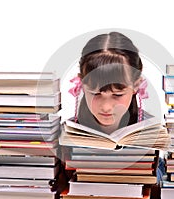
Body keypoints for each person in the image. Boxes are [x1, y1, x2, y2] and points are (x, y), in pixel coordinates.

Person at [53, 31, 164, 198]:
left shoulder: (152, 136)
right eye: (95, 93)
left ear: (136, 85)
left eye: (117, 95)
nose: (106, 107)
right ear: (81, 83)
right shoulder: (65, 136)